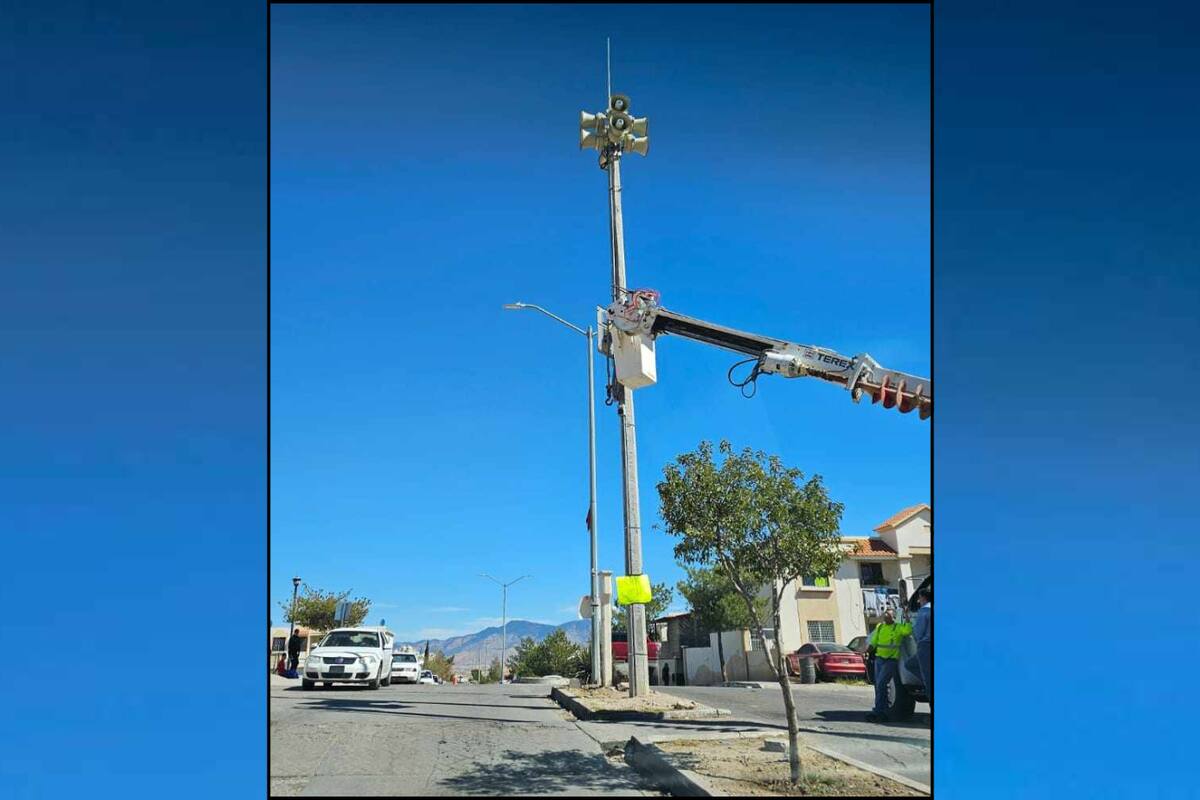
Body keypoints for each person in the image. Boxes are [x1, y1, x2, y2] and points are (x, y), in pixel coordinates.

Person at [865, 607, 911, 722]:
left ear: (893, 617)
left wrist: (906, 616)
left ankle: (881, 711)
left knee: (881, 684)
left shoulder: (898, 627)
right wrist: (866, 651)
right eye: (885, 614)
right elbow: (874, 642)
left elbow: (908, 631)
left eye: (888, 615)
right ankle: (880, 711)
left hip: (891, 660)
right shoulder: (880, 627)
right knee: (878, 685)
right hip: (879, 659)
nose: (886, 616)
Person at [912, 587, 932, 709]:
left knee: (928, 679)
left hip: (926, 646)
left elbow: (918, 632)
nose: (918, 601)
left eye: (919, 598)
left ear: (923, 598)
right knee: (910, 664)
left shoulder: (924, 611)